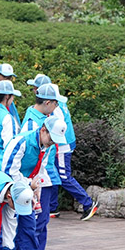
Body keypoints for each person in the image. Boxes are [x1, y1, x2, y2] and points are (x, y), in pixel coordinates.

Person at [1, 117, 69, 250]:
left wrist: (36, 187)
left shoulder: (46, 146)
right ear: (43, 130)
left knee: (29, 225)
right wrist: (28, 184)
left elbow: (41, 168)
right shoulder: (21, 142)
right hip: (6, 189)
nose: (52, 143)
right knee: (6, 230)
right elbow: (8, 170)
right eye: (51, 139)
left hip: (26, 188)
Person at [46, 82, 98, 221]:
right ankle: (52, 207)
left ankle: (88, 203)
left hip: (62, 145)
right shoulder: (59, 103)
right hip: (62, 144)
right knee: (53, 173)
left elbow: (58, 125)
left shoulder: (55, 107)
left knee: (63, 176)